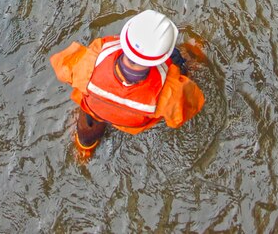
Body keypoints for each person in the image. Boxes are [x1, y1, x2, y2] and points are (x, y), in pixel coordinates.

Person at [50, 10, 205, 158]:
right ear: (161, 56)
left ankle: (84, 148)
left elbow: (62, 66)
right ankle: (192, 55)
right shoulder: (168, 88)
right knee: (180, 61)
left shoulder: (94, 56)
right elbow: (184, 112)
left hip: (97, 110)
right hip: (131, 124)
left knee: (88, 115)